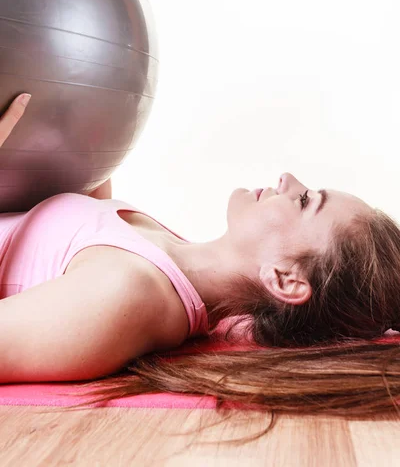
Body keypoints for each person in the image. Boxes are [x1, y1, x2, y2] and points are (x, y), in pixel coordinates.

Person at [1, 93, 400, 432]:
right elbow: (67, 225)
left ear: (285, 279)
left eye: (304, 200)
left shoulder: (127, 297)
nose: (287, 178)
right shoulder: (165, 253)